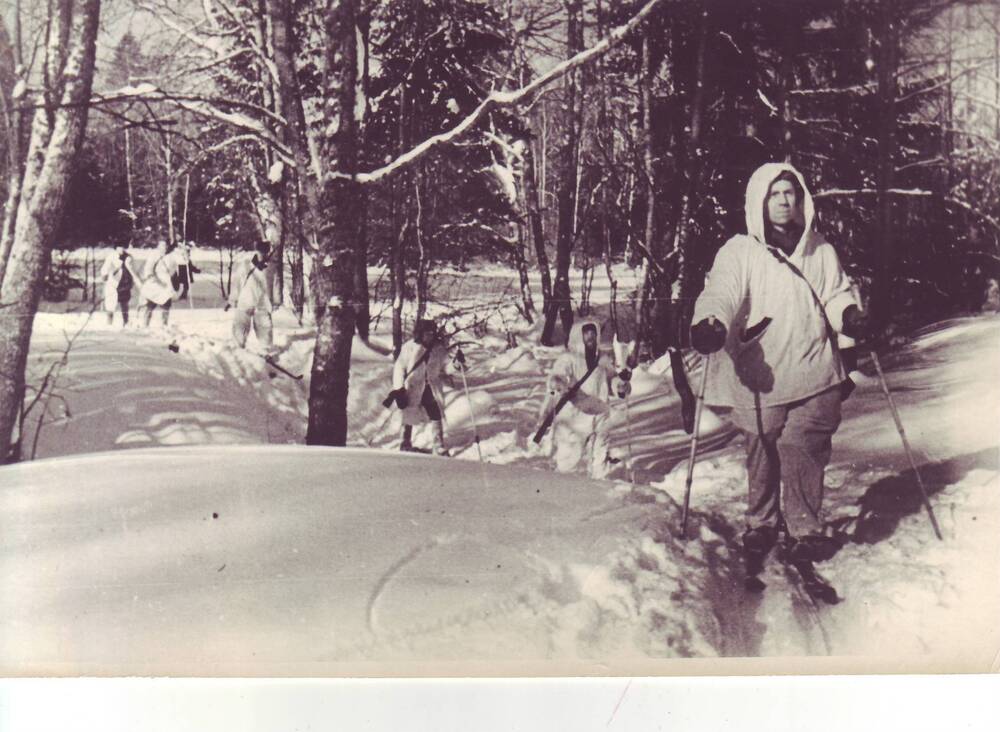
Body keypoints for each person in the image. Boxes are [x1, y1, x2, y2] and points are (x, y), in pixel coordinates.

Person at [689, 162, 869, 583]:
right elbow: (721, 291)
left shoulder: (820, 250)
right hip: (760, 372)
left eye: (791, 193)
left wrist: (851, 317)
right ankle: (762, 521)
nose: (785, 201)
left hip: (813, 366)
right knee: (762, 441)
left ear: (802, 198)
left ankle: (804, 528)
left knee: (805, 444)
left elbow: (836, 294)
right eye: (775, 194)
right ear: (758, 201)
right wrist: (711, 322)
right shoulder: (740, 250)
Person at [538, 317, 631, 480]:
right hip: (575, 418)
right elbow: (558, 376)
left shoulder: (602, 360)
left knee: (600, 458)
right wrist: (558, 382)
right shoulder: (568, 359)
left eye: (593, 333)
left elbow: (610, 379)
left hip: (600, 415)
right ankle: (560, 491)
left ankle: (600, 488)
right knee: (568, 460)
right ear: (577, 336)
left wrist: (619, 386)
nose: (590, 337)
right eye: (586, 333)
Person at [390, 319, 450, 455]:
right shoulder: (409, 348)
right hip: (413, 386)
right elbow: (399, 368)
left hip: (431, 386)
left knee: (435, 412)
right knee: (408, 413)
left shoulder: (438, 350)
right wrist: (399, 390)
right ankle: (405, 442)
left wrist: (457, 364)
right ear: (420, 334)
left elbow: (447, 367)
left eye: (432, 333)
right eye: (426, 333)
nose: (430, 336)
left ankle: (439, 445)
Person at [228, 241, 274, 351]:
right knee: (241, 327)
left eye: (265, 252)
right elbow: (237, 283)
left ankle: (265, 349)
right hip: (246, 300)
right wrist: (233, 298)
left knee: (265, 327)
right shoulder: (245, 265)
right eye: (261, 251)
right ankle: (238, 348)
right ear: (257, 251)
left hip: (262, 303)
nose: (263, 255)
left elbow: (274, 285)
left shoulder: (271, 268)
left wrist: (275, 301)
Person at [139, 240, 179, 327]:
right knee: (150, 306)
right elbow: (148, 271)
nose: (164, 247)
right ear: (158, 247)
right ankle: (145, 325)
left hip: (166, 284)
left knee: (166, 305)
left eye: (165, 245)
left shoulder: (171, 257)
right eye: (162, 246)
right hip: (154, 284)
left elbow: (174, 270)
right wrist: (158, 281)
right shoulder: (153, 256)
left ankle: (164, 325)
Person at [100, 245, 140, 327]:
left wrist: (133, 280)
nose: (122, 249)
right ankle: (109, 323)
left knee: (124, 303)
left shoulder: (129, 257)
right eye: (119, 247)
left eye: (123, 247)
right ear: (116, 248)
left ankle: (126, 322)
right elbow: (105, 269)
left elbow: (133, 269)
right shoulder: (111, 257)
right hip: (113, 284)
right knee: (110, 304)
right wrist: (106, 274)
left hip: (125, 283)